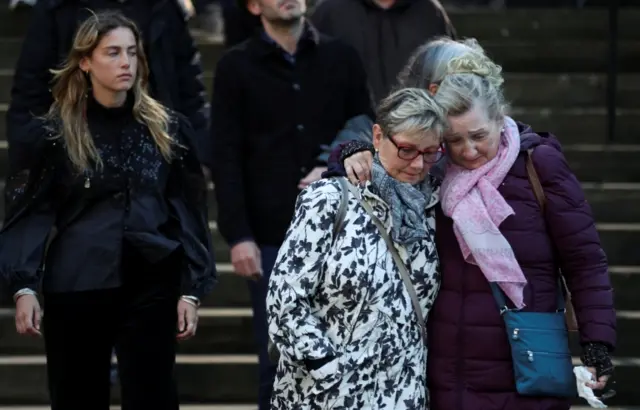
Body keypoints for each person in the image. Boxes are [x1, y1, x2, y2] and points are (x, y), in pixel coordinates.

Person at [325, 37, 616, 410]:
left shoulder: (538, 164)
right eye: (454, 140)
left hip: (526, 363)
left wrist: (597, 343)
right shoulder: (432, 168)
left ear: (499, 118)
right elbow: (380, 169)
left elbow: (584, 260)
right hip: (448, 368)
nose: (468, 150)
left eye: (479, 136)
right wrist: (352, 153)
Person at [0, 11, 215, 410]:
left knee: (153, 397)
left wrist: (190, 288)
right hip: (78, 282)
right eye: (113, 53)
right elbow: (28, 210)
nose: (125, 63)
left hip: (152, 278)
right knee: (76, 396)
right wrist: (23, 285)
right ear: (85, 61)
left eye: (132, 53)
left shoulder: (166, 129)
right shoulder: (55, 134)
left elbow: (188, 209)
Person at [210, 0, 374, 408]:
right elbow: (225, 155)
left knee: (342, 355)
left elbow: (364, 127)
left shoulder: (343, 56)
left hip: (339, 233)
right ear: (253, 5)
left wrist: (332, 165)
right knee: (278, 359)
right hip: (269, 234)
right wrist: (238, 235)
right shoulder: (235, 66)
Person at [267, 87, 444, 409]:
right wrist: (325, 366)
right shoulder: (330, 199)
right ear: (378, 137)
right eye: (407, 150)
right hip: (324, 395)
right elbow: (285, 297)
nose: (419, 164)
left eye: (431, 152)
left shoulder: (436, 207)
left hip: (401, 395)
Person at [6, 0, 212, 169]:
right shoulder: (58, 10)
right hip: (78, 154)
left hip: (155, 151)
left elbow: (190, 90)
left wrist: (197, 151)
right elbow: (30, 91)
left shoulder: (165, 8)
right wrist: (29, 156)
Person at [310, 0, 456, 103]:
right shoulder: (330, 12)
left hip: (418, 134)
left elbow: (453, 76)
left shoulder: (430, 12)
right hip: (352, 135)